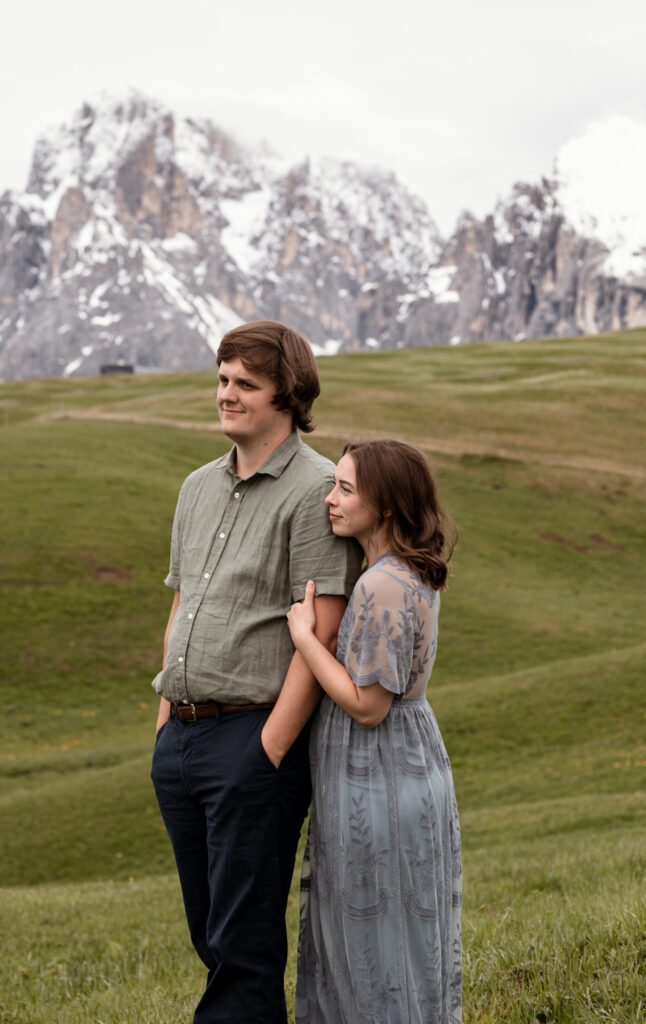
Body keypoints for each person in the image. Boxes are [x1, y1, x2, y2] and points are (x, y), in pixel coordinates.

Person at [150, 320, 362, 1024]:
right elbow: (184, 601)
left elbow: (321, 627)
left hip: (250, 740)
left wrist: (268, 748)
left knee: (242, 944)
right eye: (221, 379)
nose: (226, 394)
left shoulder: (316, 490)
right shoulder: (195, 486)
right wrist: (161, 726)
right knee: (212, 934)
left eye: (246, 383)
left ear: (286, 395)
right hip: (180, 739)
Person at [287, 438, 463, 1024]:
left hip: (378, 770)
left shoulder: (381, 584)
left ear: (384, 505)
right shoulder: (403, 572)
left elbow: (368, 706)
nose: (330, 499)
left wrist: (307, 638)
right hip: (404, 759)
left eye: (345, 489)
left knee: (373, 940)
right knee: (397, 937)